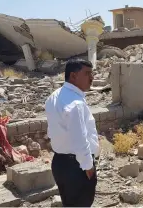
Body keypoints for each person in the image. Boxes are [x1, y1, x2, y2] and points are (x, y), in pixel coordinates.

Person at [45, 58, 99, 207]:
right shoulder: (75, 104)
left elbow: (52, 131)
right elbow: (79, 139)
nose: (91, 78)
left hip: (60, 163)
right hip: (77, 167)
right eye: (87, 73)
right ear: (73, 76)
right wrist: (88, 167)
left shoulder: (53, 97)